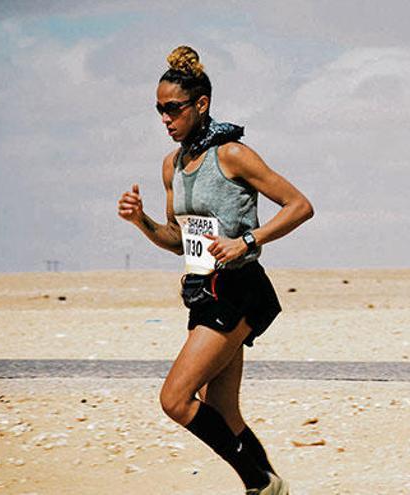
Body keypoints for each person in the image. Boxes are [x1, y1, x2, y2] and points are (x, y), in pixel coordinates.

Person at [117, 45, 313, 495]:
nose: (165, 119)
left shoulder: (232, 155)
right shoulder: (173, 166)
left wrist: (247, 239)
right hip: (204, 288)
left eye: (173, 109)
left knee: (175, 399)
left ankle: (260, 483)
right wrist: (140, 221)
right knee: (223, 412)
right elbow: (176, 238)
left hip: (239, 287)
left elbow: (300, 206)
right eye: (159, 111)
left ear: (200, 104)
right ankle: (269, 487)